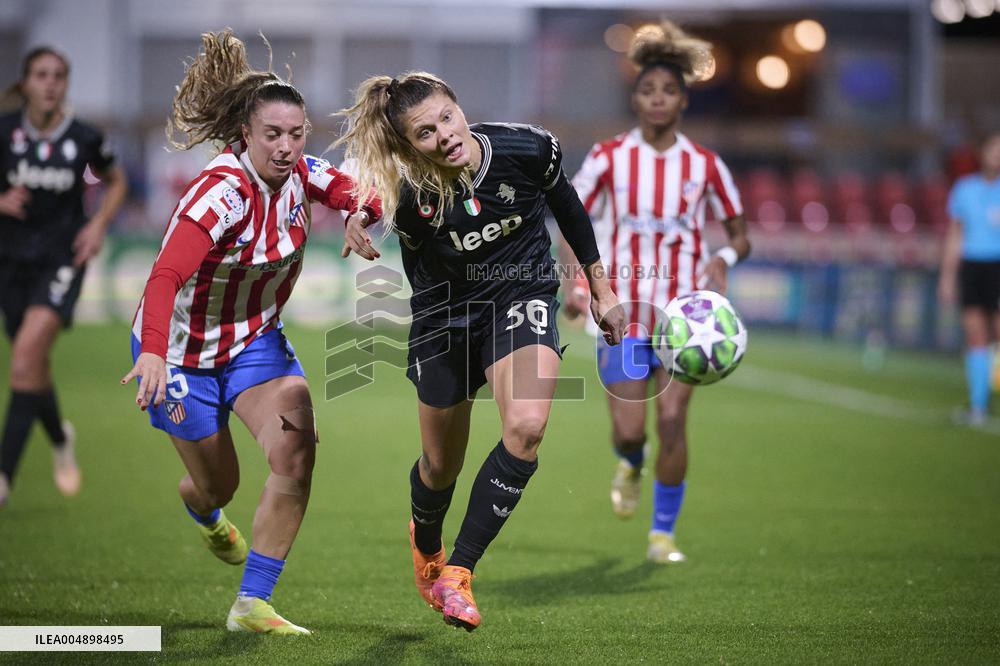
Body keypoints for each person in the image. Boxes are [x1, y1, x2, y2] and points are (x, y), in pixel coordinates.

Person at [337, 72, 625, 631]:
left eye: (447, 116)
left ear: (459, 107)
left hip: (521, 297)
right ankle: (426, 541)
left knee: (526, 428)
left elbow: (568, 206)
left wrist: (601, 288)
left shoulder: (527, 147)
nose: (444, 135)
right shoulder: (408, 193)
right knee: (440, 468)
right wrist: (359, 218)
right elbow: (370, 203)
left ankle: (460, 572)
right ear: (408, 146)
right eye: (424, 133)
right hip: (443, 318)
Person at [120, 30, 380, 634]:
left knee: (297, 448)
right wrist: (154, 353)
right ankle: (205, 511)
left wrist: (357, 215)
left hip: (255, 343)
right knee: (219, 484)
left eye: (296, 134)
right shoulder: (220, 196)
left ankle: (251, 604)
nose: (287, 147)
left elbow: (361, 193)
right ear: (246, 135)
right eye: (273, 135)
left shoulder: (301, 175)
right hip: (181, 356)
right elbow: (163, 278)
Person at [563, 20, 750, 564]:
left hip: (684, 313)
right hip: (621, 310)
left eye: (668, 91)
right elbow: (571, 222)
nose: (658, 99)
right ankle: (629, 461)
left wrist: (723, 256)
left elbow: (741, 234)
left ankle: (662, 534)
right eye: (648, 90)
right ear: (636, 99)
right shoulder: (609, 156)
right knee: (629, 429)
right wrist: (580, 286)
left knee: (672, 421)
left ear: (683, 100)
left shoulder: (705, 165)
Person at [0, 47, 127, 507]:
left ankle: (3, 477)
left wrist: (96, 224)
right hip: (10, 259)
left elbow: (116, 181)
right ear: (26, 82)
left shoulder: (85, 136)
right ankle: (59, 437)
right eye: (41, 74)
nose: (50, 83)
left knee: (25, 358)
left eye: (58, 75)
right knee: (29, 365)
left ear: (66, 83)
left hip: (62, 258)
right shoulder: (6, 130)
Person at [938, 131, 1000, 426]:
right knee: (976, 333)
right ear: (983, 151)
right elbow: (955, 235)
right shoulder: (965, 189)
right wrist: (947, 276)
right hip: (973, 267)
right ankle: (978, 404)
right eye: (994, 147)